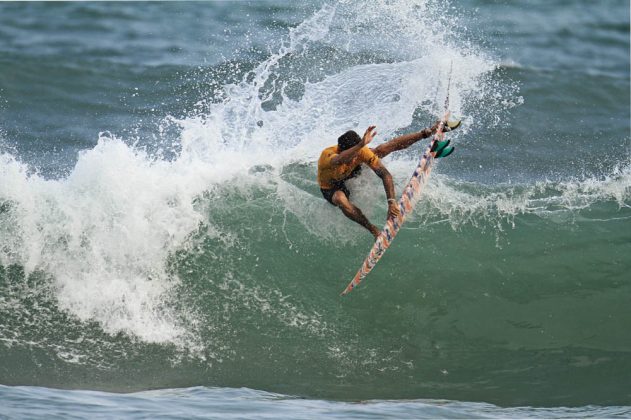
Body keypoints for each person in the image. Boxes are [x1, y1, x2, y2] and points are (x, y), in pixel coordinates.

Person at [317, 120, 460, 238]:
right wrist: (361, 144)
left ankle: (428, 132)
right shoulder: (328, 156)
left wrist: (391, 202)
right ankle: (373, 230)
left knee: (380, 150)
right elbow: (340, 159)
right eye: (352, 154)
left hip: (351, 173)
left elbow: (384, 174)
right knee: (341, 199)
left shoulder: (361, 152)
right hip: (332, 186)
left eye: (357, 153)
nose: (355, 157)